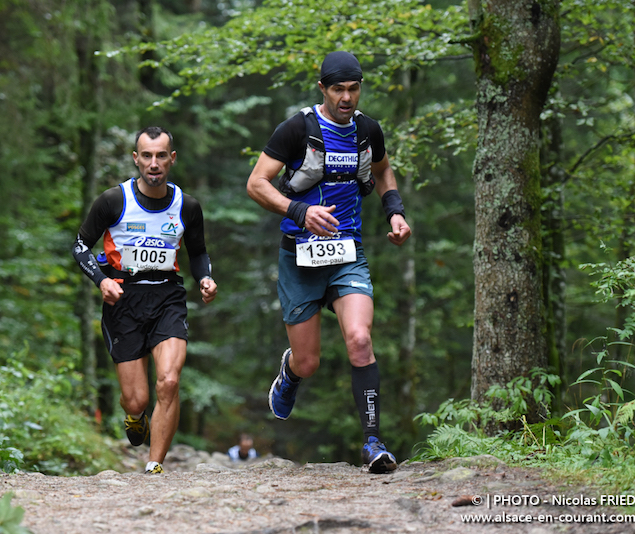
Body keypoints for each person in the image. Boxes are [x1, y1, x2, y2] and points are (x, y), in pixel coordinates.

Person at [246, 51, 411, 474]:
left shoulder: (368, 130)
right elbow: (256, 183)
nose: (346, 97)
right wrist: (299, 212)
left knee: (359, 339)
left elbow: (384, 171)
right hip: (299, 257)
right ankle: (291, 372)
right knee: (309, 362)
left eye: (353, 89)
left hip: (346, 253)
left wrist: (394, 211)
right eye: (338, 89)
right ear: (323, 88)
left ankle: (373, 442)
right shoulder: (297, 128)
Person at [72, 126, 218, 474]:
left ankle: (154, 465)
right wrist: (101, 280)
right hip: (123, 299)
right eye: (147, 156)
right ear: (136, 159)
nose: (154, 163)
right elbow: (80, 246)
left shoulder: (188, 206)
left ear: (172, 159)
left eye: (161, 155)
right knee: (136, 399)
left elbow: (198, 253)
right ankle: (135, 416)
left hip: (167, 296)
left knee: (168, 380)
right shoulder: (113, 201)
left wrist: (206, 278)